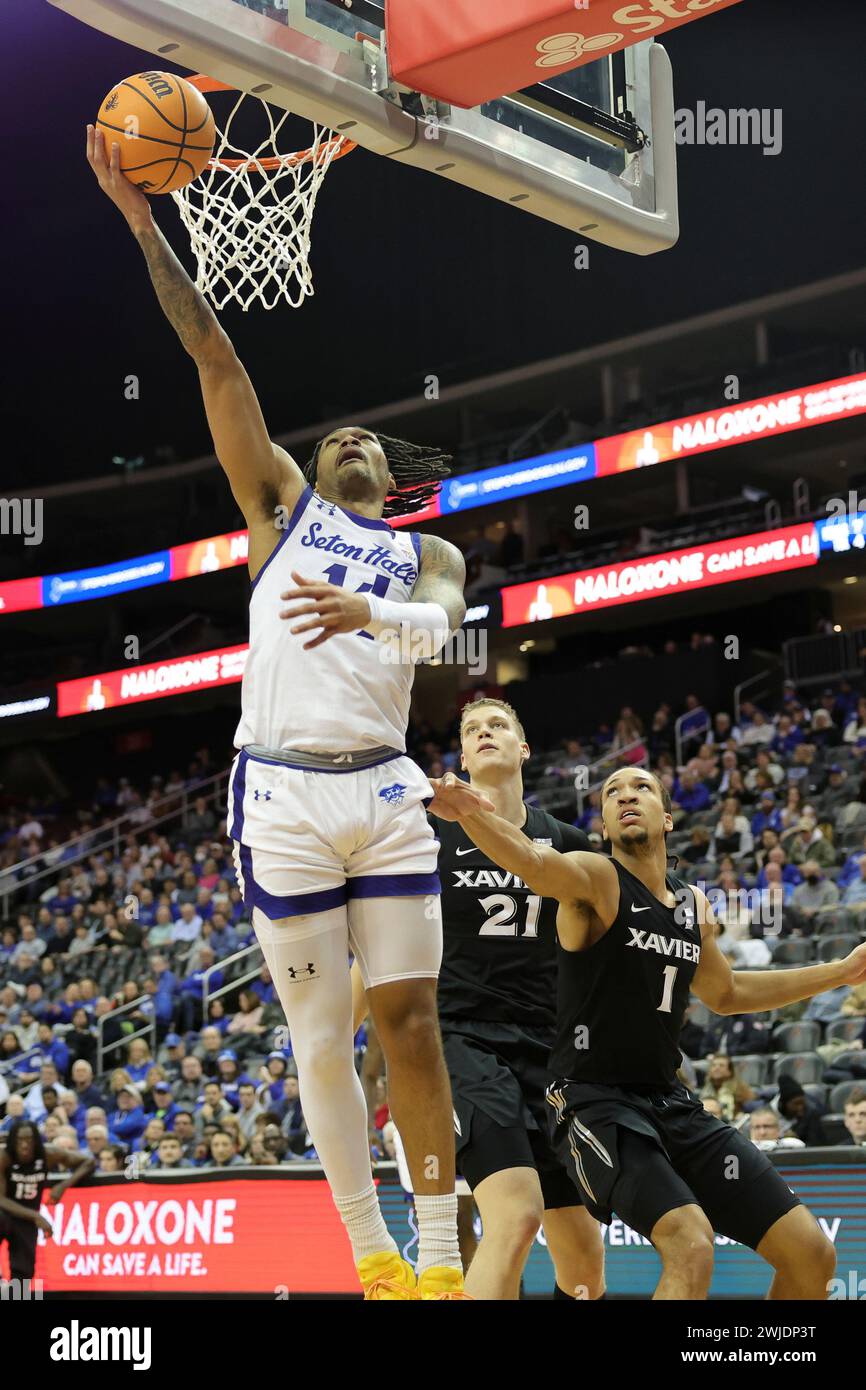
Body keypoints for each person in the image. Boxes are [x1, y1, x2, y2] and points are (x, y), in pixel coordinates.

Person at [87, 125, 478, 1299]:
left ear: (393, 478)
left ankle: (443, 1261)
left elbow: (454, 627)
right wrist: (142, 222)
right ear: (313, 466)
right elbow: (214, 357)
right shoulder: (278, 509)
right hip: (285, 793)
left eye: (371, 438)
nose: (352, 437)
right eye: (337, 434)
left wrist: (369, 622)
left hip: (385, 786)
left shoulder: (426, 552)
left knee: (408, 1021)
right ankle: (370, 1253)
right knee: (320, 1039)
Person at [428, 763, 866, 1299]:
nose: (626, 796)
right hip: (594, 1103)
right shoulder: (595, 877)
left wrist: (843, 971)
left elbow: (727, 995)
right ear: (605, 828)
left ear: (668, 818)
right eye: (612, 792)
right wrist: (469, 814)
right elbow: (532, 861)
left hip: (670, 1104)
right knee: (690, 1243)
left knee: (811, 1251)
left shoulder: (691, 906)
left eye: (642, 788)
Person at [358, 697, 604, 1301]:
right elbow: (380, 947)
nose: (485, 733)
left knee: (584, 1252)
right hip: (463, 1042)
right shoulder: (428, 834)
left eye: (498, 726)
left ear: (523, 749)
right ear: (462, 756)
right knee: (516, 1217)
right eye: (472, 730)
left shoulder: (569, 842)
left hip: (550, 1052)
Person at [0, 1120, 95, 1285]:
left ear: (36, 1140)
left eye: (29, 1139)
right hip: (5, 1213)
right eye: (20, 1140)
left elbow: (88, 1162)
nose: (24, 1145)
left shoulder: (48, 1154)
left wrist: (63, 1186)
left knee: (24, 1272)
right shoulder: (4, 1158)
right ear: (12, 1141)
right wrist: (36, 1216)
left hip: (26, 1219)